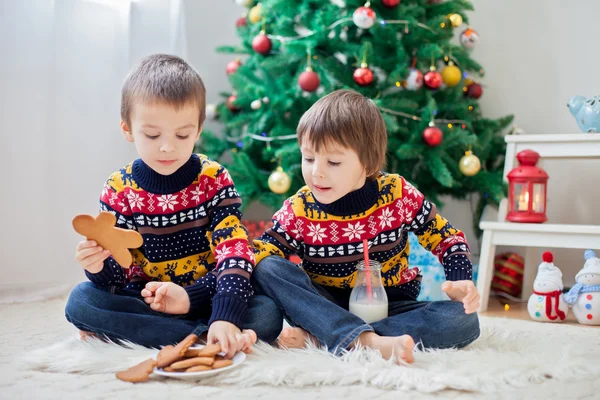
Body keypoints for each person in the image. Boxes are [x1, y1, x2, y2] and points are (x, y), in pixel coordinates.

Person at [65, 54, 282, 358]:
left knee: (267, 314)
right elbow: (117, 278)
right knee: (81, 301)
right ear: (128, 130)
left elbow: (234, 250)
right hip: (146, 299)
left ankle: (205, 329)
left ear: (198, 130)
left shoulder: (214, 179)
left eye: (182, 135)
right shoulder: (119, 189)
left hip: (207, 295)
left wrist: (220, 312)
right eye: (152, 135)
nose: (167, 147)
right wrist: (97, 265)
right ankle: (202, 338)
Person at [252, 89, 480, 364]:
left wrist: (460, 278)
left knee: (463, 320)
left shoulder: (398, 194)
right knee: (268, 267)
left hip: (391, 304)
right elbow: (263, 253)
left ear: (368, 163)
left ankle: (327, 337)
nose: (316, 172)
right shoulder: (299, 208)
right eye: (309, 158)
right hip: (323, 305)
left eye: (333, 162)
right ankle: (362, 340)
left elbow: (448, 237)